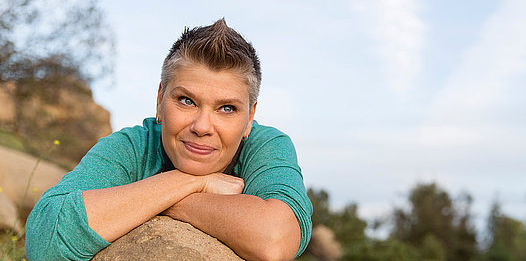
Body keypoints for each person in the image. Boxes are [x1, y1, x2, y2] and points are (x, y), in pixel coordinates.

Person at [25, 19, 313, 261]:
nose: (202, 127)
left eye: (227, 108)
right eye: (186, 101)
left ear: (250, 117)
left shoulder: (266, 146)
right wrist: (190, 182)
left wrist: (163, 201)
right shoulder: (132, 146)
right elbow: (44, 238)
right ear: (160, 99)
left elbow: (276, 238)